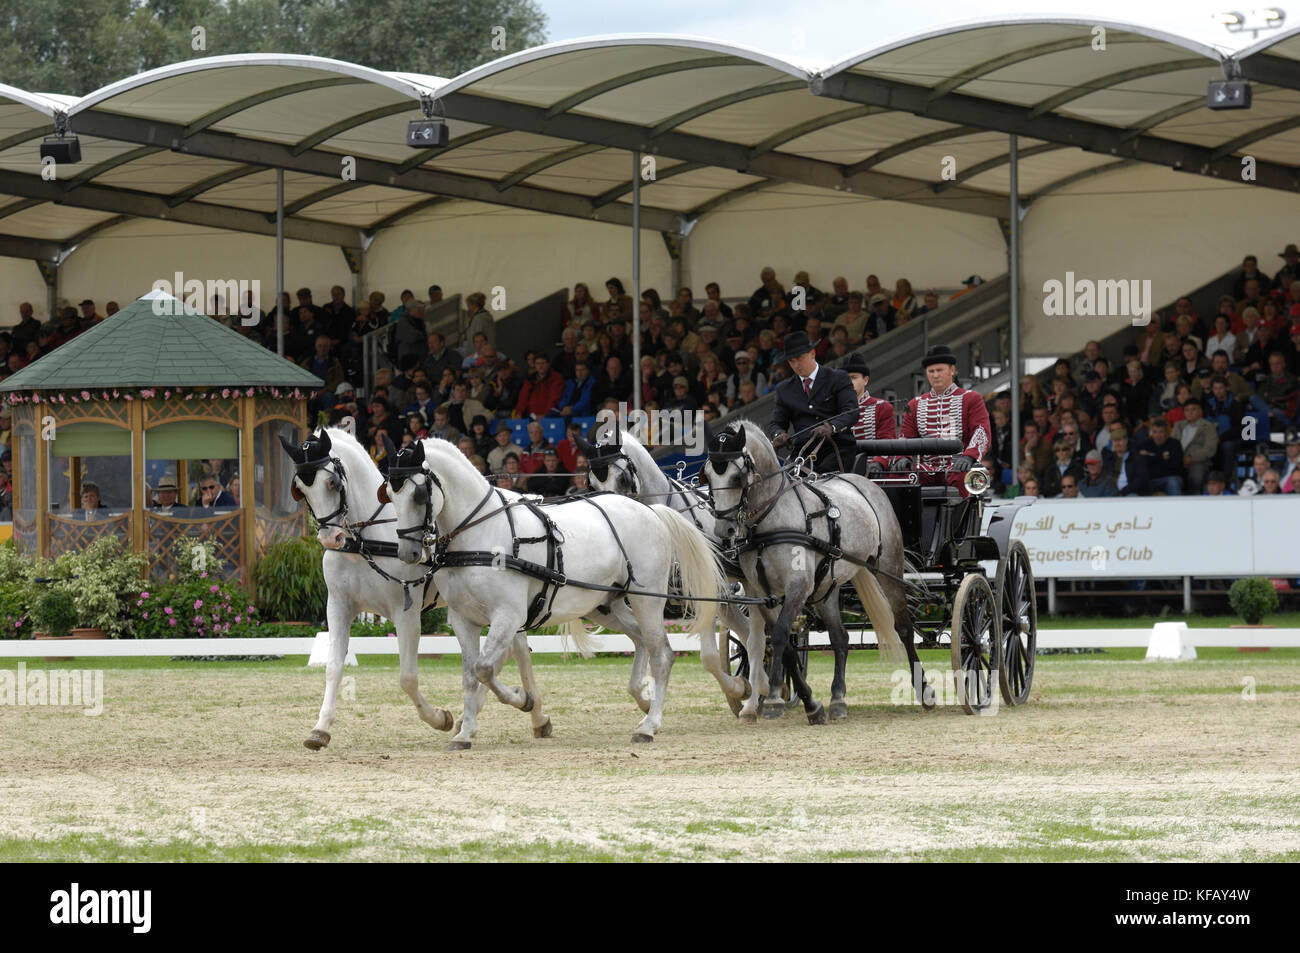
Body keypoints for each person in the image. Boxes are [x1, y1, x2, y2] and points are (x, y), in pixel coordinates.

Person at [892, 346, 991, 497]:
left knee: (962, 478)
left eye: (940, 370)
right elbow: (905, 437)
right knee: (899, 476)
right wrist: (902, 458)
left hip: (957, 466)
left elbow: (981, 431)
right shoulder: (915, 404)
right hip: (924, 469)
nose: (935, 375)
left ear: (952, 370)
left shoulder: (971, 398)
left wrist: (969, 456)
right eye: (931, 371)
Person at [765, 330, 858, 473]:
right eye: (792, 361)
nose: (796, 365)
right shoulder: (783, 389)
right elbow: (776, 422)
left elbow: (851, 412)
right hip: (804, 453)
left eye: (800, 358)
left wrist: (831, 427)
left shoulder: (838, 378)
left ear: (812, 354)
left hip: (837, 448)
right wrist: (779, 434)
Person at [841, 353, 895, 475]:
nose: (849, 382)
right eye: (845, 378)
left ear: (865, 380)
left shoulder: (882, 407)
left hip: (871, 472)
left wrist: (878, 462)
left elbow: (886, 441)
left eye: (853, 377)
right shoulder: (833, 408)